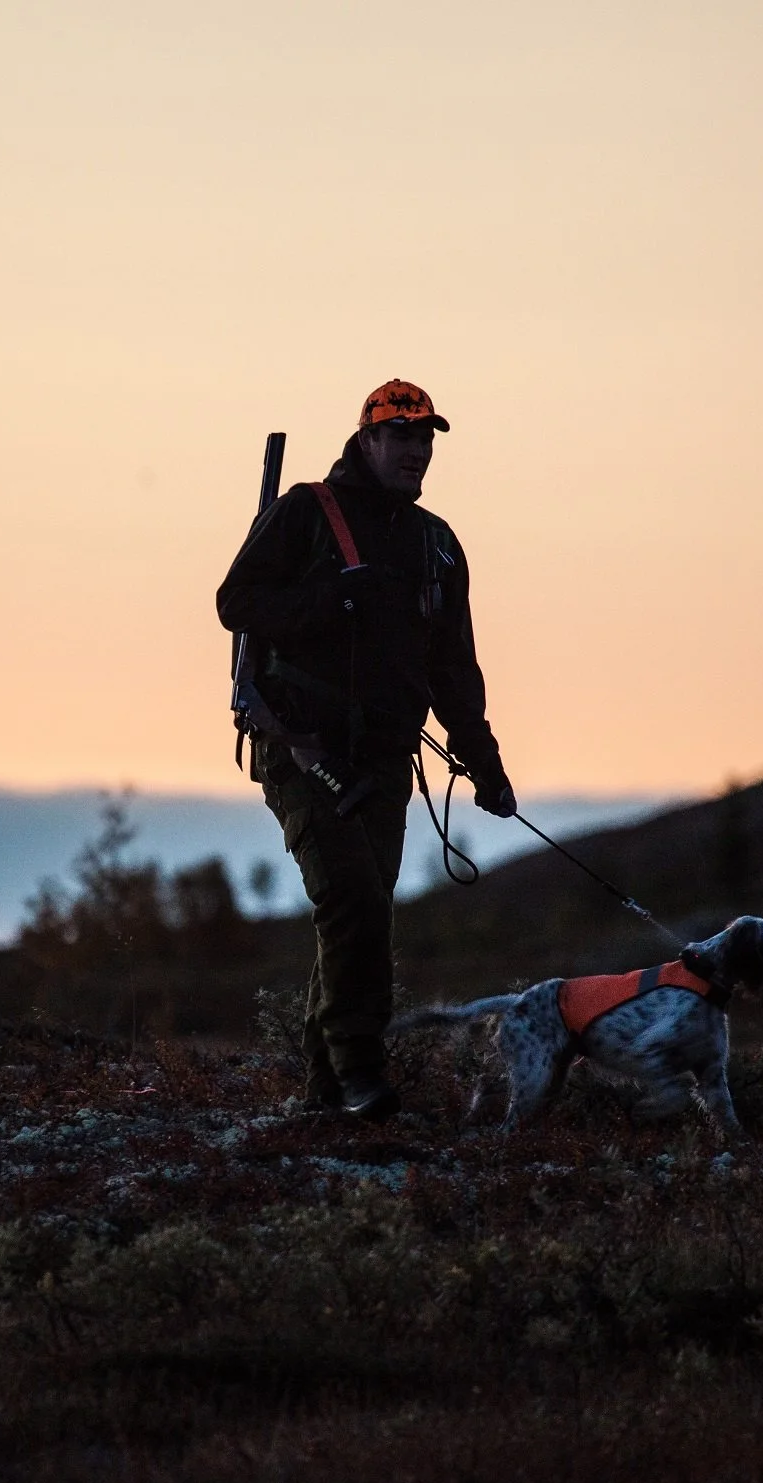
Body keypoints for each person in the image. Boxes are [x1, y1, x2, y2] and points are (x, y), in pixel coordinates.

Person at [217, 379, 517, 1120]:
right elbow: (235, 603)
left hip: (385, 761)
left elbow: (453, 665)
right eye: (401, 436)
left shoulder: (436, 544)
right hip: (302, 748)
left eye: (426, 438)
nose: (416, 450)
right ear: (367, 439)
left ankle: (327, 1097)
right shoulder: (304, 514)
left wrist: (483, 761)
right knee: (352, 901)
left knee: (361, 913)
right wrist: (332, 600)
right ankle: (363, 1080)